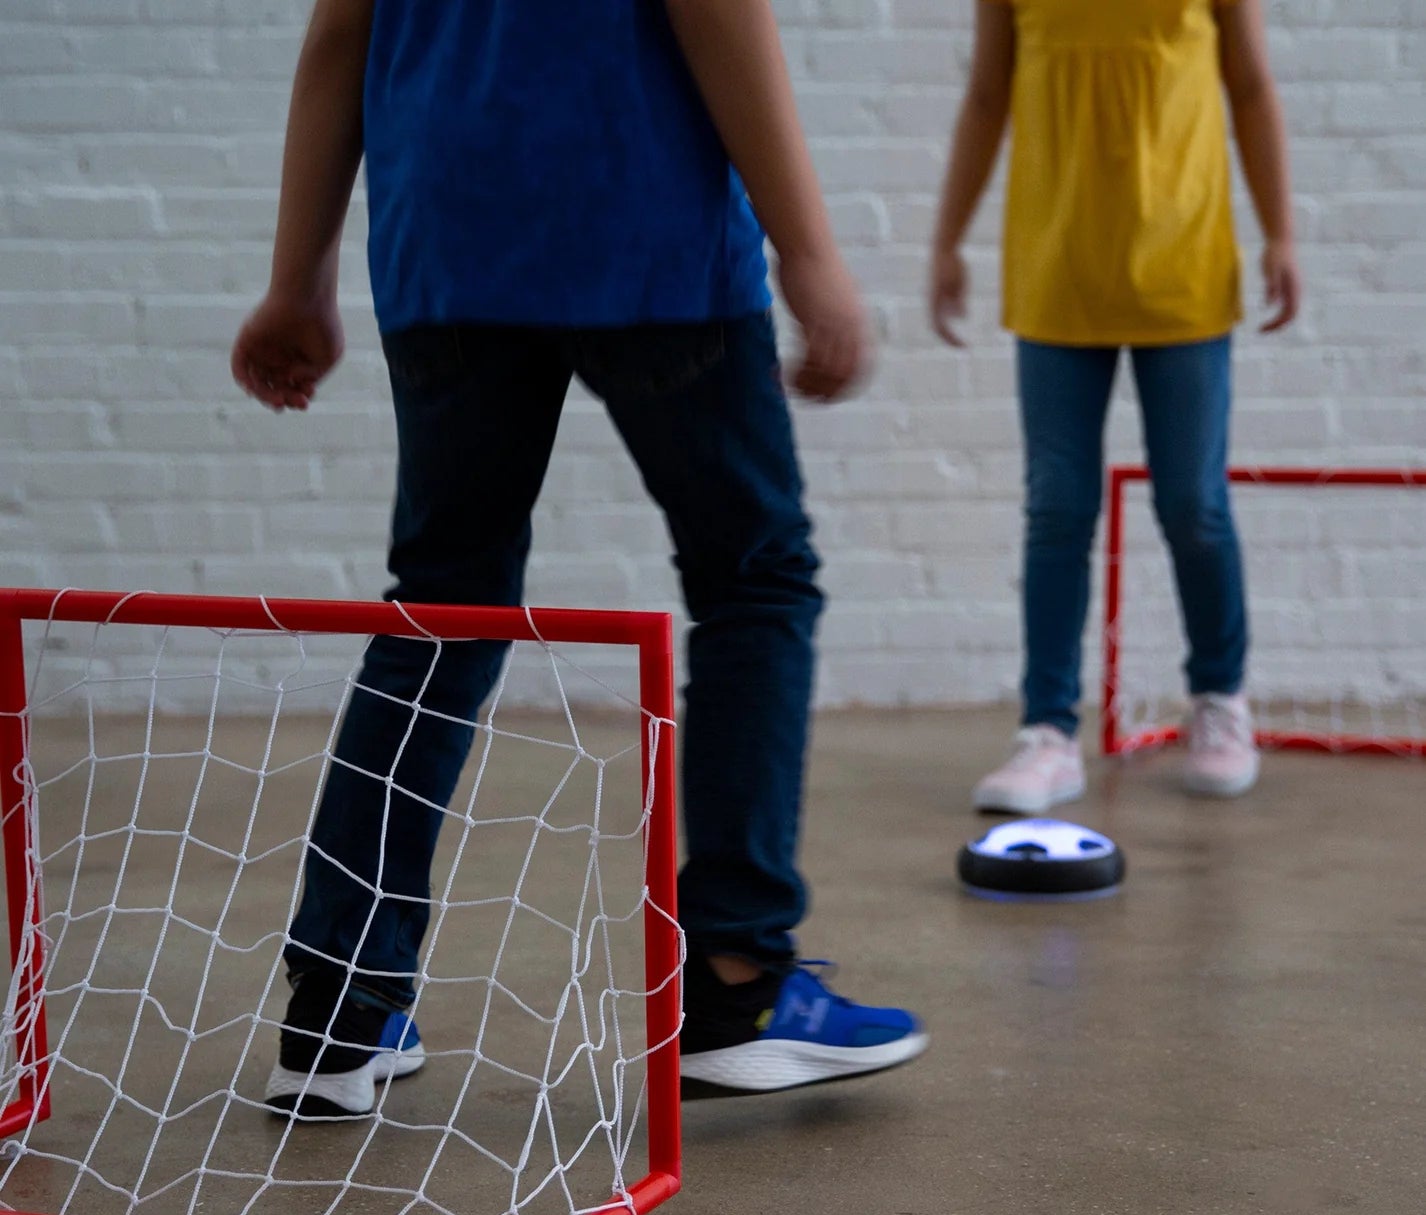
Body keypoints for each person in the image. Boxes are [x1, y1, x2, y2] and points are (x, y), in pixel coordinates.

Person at [232, 0, 926, 1117]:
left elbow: (338, 37)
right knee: (753, 580)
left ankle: (337, 1015)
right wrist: (810, 254)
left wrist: (297, 277)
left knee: (442, 608)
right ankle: (738, 985)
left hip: (446, 241)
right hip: (642, 222)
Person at [930, 0, 1301, 813]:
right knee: (1057, 508)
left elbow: (1250, 86)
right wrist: (947, 240)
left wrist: (1281, 233)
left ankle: (1220, 701)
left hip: (1183, 268)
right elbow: (987, 95)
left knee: (1194, 504)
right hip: (1057, 270)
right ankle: (1048, 732)